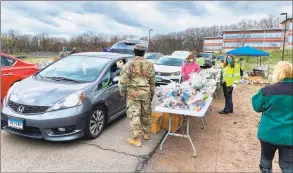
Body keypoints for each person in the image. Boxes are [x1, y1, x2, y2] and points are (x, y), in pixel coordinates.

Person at [252, 61, 293, 173]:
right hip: (290, 136)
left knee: (266, 160)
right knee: (288, 166)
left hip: (269, 132)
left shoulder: (268, 90)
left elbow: (256, 106)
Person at [118, 44, 156, 147]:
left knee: (135, 114)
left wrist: (122, 93)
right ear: (144, 53)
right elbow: (152, 82)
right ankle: (146, 133)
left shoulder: (129, 64)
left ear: (134, 52)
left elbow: (123, 82)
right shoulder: (150, 64)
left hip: (133, 94)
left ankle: (136, 139)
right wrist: (152, 94)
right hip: (146, 93)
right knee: (145, 113)